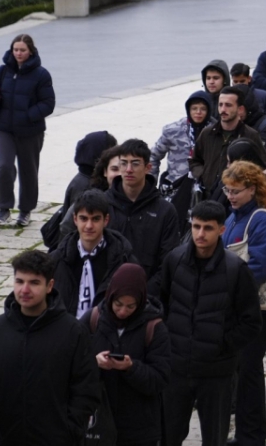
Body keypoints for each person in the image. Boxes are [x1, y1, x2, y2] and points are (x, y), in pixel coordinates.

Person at [159, 201, 261, 446]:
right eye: (196, 227)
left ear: (221, 230)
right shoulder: (174, 260)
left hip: (217, 373)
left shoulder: (236, 269)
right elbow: (161, 303)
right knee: (167, 435)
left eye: (207, 228)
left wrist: (222, 346)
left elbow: (251, 321)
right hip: (177, 367)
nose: (200, 234)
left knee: (214, 438)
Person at [0, 249, 102, 446]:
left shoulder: (72, 331)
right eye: (19, 281)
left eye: (34, 282)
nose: (24, 290)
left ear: (50, 286)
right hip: (4, 439)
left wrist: (70, 430)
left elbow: (86, 388)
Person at [221, 162, 266, 446]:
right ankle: (250, 433)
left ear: (252, 189)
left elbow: (261, 265)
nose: (230, 196)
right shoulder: (235, 215)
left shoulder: (261, 218)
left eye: (236, 191)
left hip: (257, 306)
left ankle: (252, 436)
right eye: (227, 190)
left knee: (248, 367)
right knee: (246, 368)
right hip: (241, 304)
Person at [90, 263, 172, 446]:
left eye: (130, 306)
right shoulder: (93, 319)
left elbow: (161, 378)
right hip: (98, 422)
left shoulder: (155, 327)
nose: (122, 311)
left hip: (139, 429)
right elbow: (71, 362)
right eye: (118, 304)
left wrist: (131, 368)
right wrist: (93, 362)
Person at [0, 34, 55, 227]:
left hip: (30, 131)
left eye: (22, 50)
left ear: (30, 51)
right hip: (4, 129)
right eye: (15, 49)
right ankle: (3, 208)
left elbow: (48, 103)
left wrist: (28, 115)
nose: (18, 53)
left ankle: (25, 211)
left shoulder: (41, 74)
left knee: (28, 171)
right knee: (5, 166)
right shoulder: (2, 71)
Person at [52, 190, 139, 319]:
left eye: (96, 219)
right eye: (84, 218)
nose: (89, 226)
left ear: (106, 220)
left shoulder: (123, 260)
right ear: (75, 219)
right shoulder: (57, 259)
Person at [105, 140, 180, 286]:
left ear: (148, 168)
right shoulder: (103, 204)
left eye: (135, 163)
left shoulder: (165, 211)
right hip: (107, 292)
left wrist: (145, 294)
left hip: (149, 296)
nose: (128, 169)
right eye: (123, 163)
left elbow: (168, 262)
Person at [193, 87, 266, 206]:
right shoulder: (207, 133)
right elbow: (194, 161)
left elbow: (262, 165)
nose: (223, 109)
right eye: (220, 105)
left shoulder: (250, 135)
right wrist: (203, 174)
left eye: (228, 105)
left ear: (240, 109)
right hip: (208, 197)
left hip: (235, 200)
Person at [150, 91, 212, 213]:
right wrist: (151, 184)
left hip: (205, 189)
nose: (198, 112)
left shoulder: (214, 131)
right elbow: (153, 156)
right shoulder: (173, 130)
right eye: (194, 108)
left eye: (203, 109)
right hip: (176, 188)